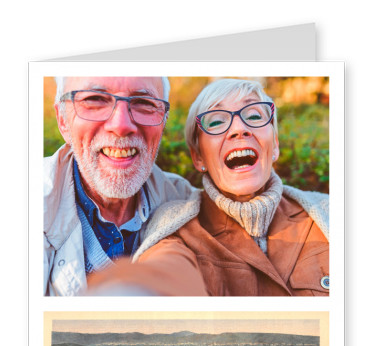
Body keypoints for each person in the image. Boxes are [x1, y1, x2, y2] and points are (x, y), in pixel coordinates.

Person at [87, 78, 329, 296]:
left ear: (274, 144)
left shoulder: (328, 213)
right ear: (198, 157)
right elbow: (166, 270)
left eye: (254, 116)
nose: (239, 129)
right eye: (216, 121)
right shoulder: (177, 229)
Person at [44, 76, 199, 296]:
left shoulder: (187, 204)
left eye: (144, 103)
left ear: (163, 121)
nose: (121, 126)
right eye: (95, 99)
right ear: (62, 120)